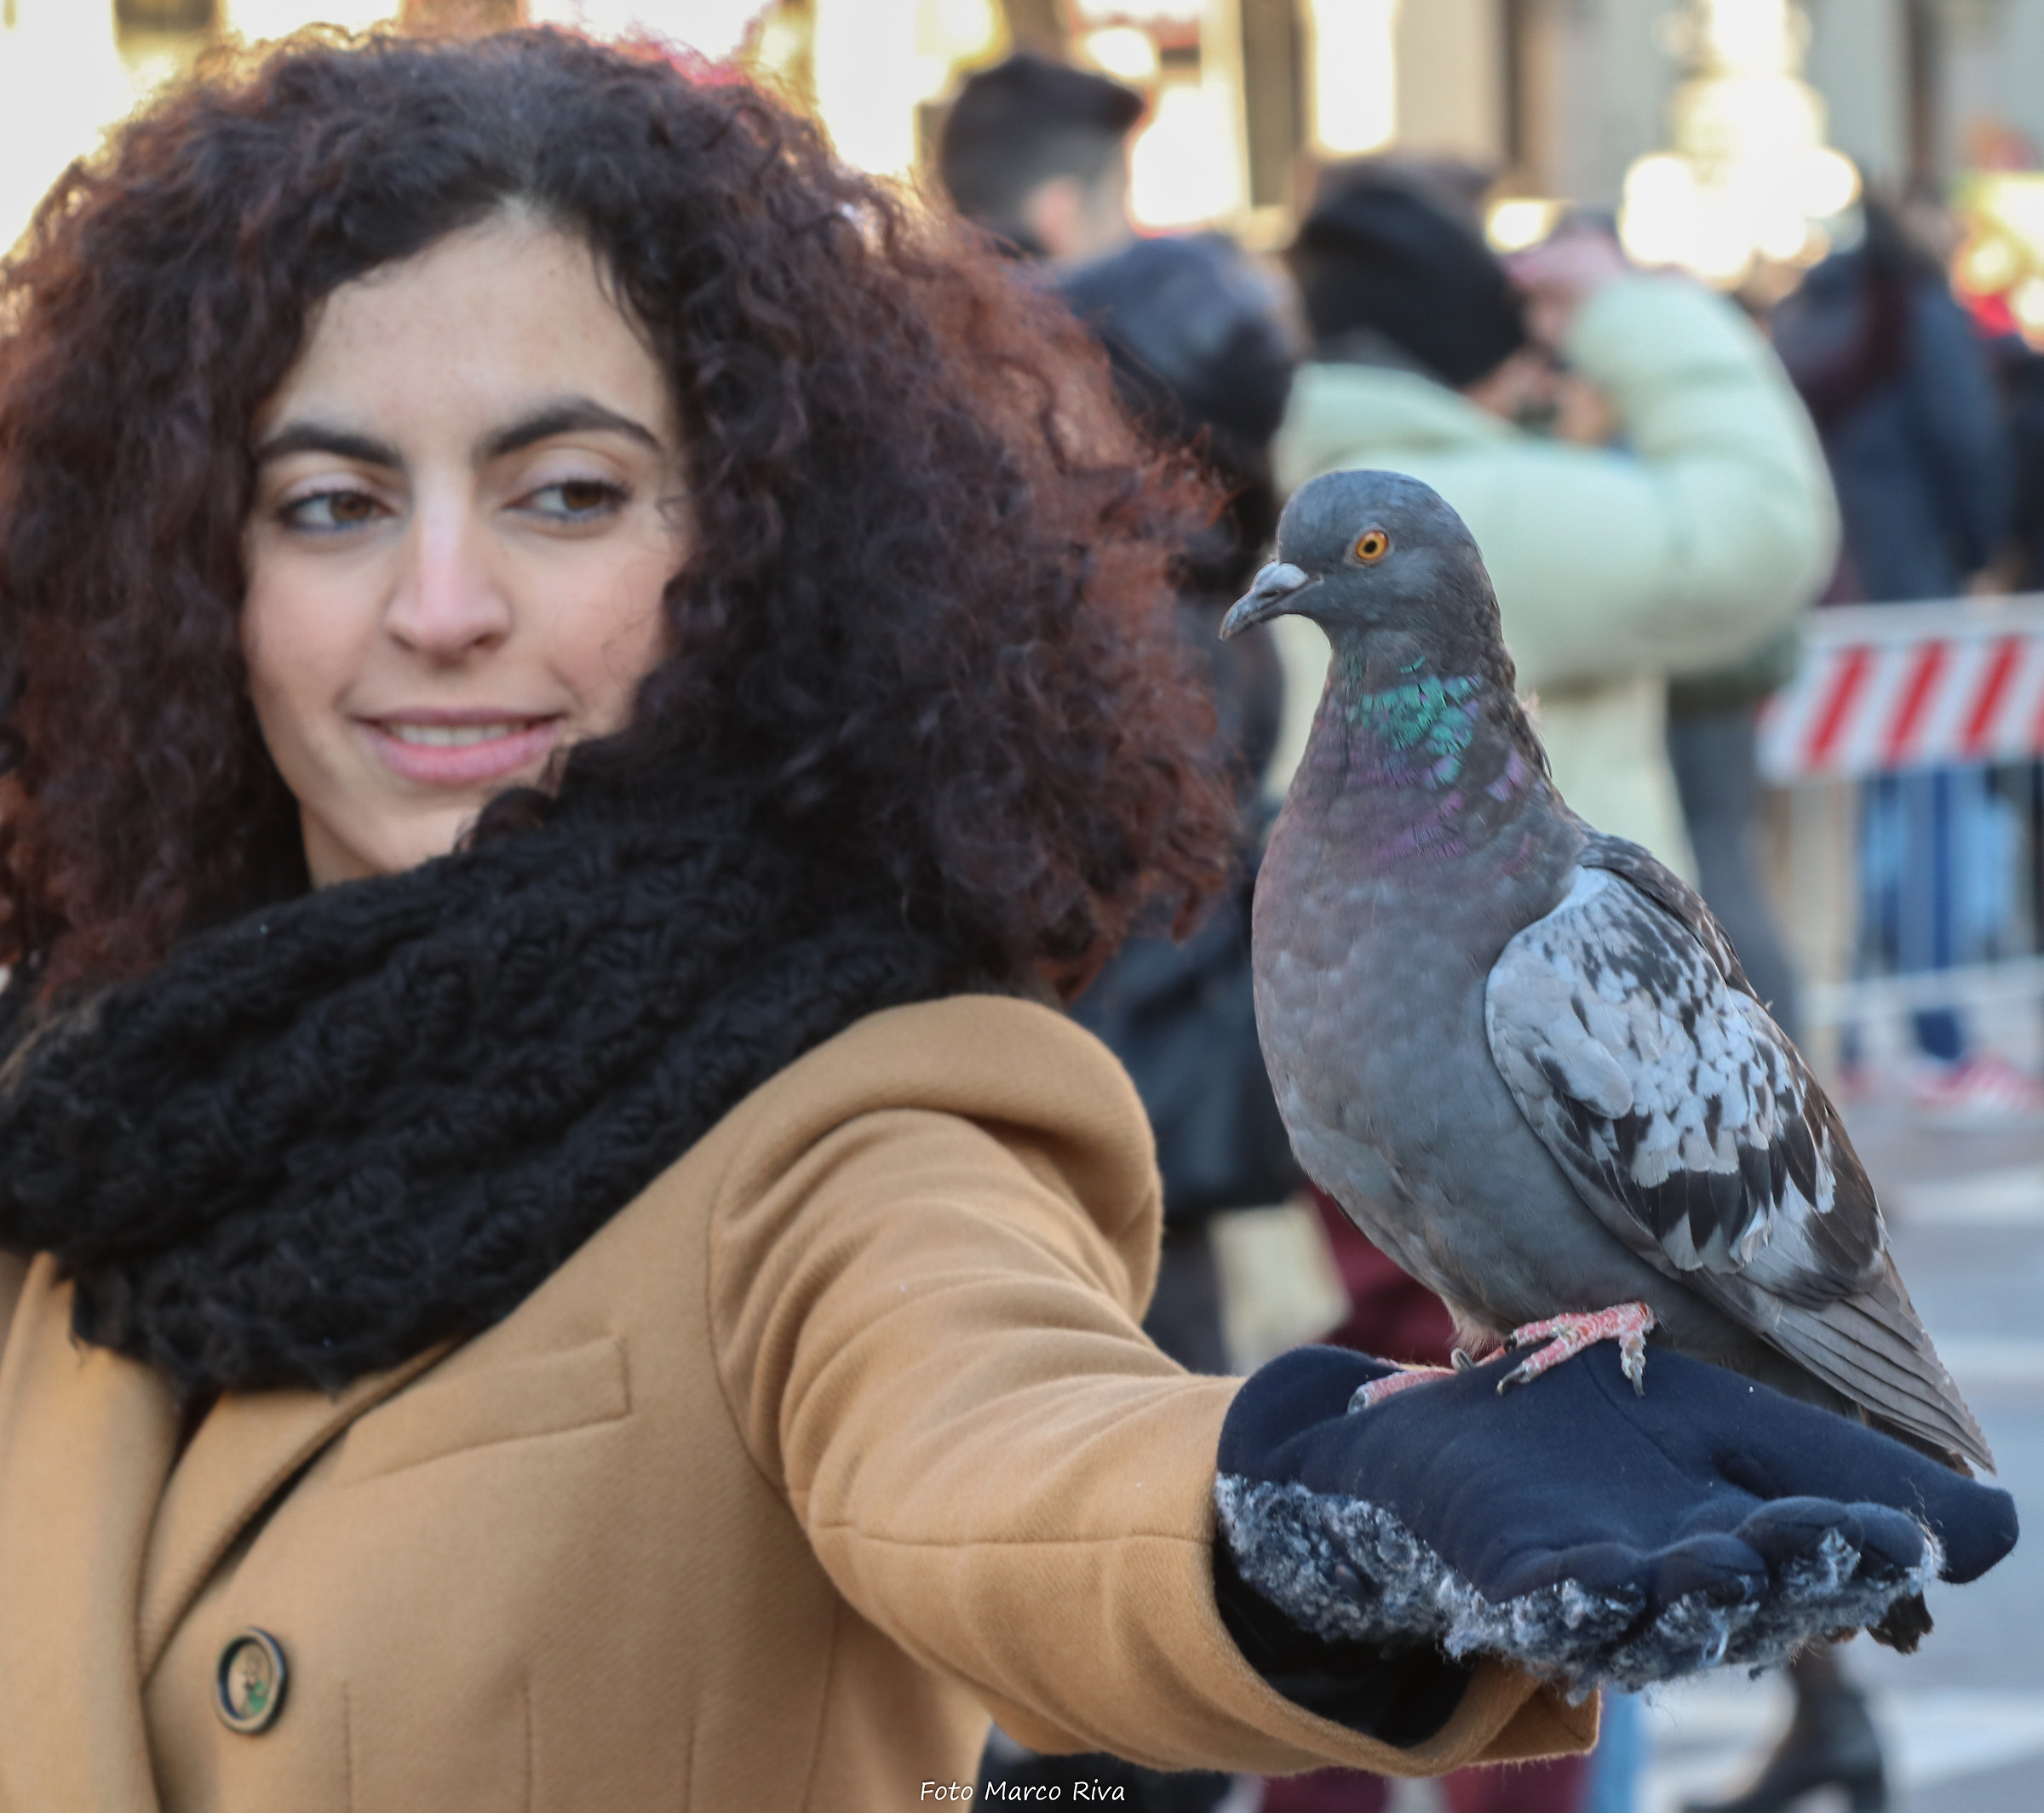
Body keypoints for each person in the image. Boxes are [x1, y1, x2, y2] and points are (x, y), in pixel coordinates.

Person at [0, 31, 2012, 1813]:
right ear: (185, 568)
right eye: (333, 502)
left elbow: (1004, 1456)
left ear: (755, 556)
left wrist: (1296, 1519)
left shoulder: (846, 1120)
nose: (441, 604)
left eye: (568, 492)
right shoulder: (76, 1107)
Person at [1275, 170, 1837, 876]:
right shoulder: (1464, 518)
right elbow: (1763, 524)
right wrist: (1623, 305)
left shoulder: (1285, 486)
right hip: (1540, 931)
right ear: (1491, 367)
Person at [1772, 196, 2031, 1122]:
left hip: (1825, 589)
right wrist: (1980, 552)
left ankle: (1846, 1044)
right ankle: (1941, 1043)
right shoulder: (1924, 315)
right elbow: (1968, 447)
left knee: (1839, 836)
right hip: (1914, 592)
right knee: (1934, 820)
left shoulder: (1806, 313)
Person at [937, 49, 1142, 264]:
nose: (1131, 234)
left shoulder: (928, 281)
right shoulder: (1129, 279)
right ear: (1061, 216)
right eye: (1119, 203)